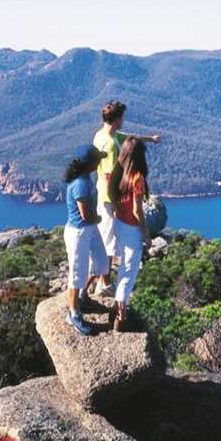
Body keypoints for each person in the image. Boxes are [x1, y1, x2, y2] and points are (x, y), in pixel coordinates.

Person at [91, 100, 160, 297]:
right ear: (118, 118)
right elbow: (111, 175)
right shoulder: (111, 145)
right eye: (123, 117)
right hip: (108, 197)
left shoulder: (102, 134)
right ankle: (103, 283)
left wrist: (150, 139)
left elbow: (131, 138)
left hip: (102, 193)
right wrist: (117, 202)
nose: (124, 120)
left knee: (109, 238)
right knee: (108, 240)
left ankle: (102, 280)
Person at [63, 144, 110, 335]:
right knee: (76, 275)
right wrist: (99, 218)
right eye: (97, 159)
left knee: (101, 262)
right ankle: (73, 314)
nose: (100, 161)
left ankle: (83, 297)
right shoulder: (80, 184)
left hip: (89, 229)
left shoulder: (85, 178)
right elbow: (85, 215)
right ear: (89, 164)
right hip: (79, 232)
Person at [107, 137, 151, 332]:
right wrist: (146, 234)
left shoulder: (120, 174)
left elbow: (113, 197)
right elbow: (137, 210)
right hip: (132, 228)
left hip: (119, 223)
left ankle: (115, 308)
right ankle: (120, 319)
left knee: (123, 268)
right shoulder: (137, 178)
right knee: (129, 272)